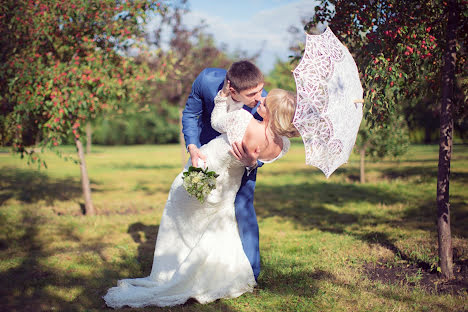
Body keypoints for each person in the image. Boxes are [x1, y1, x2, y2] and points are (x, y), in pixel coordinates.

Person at [103, 81, 299, 308]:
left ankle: (173, 271)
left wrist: (223, 97)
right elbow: (253, 162)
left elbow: (216, 121)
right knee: (213, 226)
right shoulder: (282, 146)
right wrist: (251, 164)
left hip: (204, 169)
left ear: (273, 115)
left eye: (265, 102)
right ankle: (209, 272)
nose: (261, 99)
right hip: (228, 186)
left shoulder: (243, 120)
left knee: (180, 216)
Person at [182, 60, 267, 282]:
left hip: (243, 160)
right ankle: (197, 267)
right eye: (252, 95)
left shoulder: (263, 104)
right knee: (199, 208)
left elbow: (270, 144)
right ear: (232, 90)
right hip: (208, 155)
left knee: (242, 207)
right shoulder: (206, 81)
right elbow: (191, 114)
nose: (259, 98)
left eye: (260, 90)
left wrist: (253, 162)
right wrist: (192, 146)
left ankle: (251, 272)